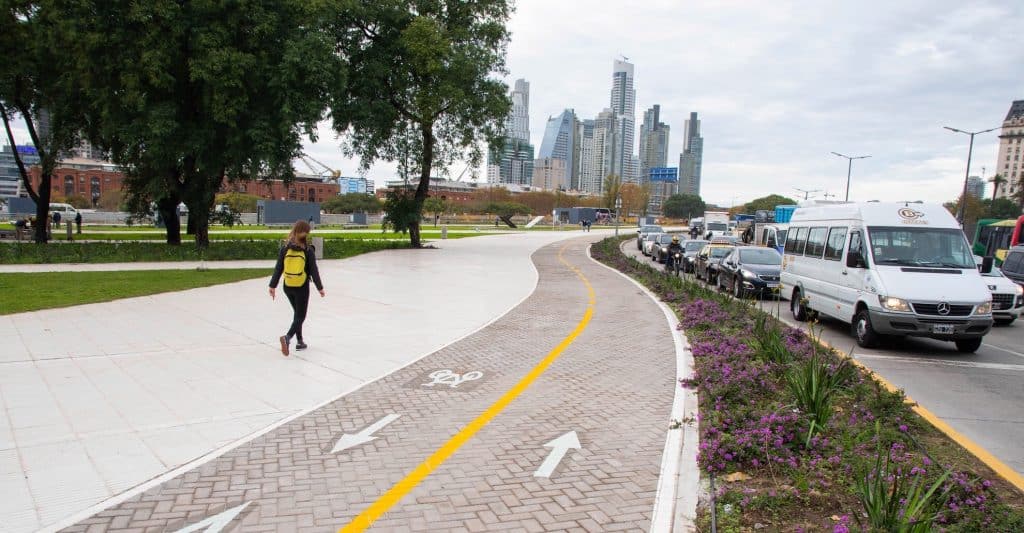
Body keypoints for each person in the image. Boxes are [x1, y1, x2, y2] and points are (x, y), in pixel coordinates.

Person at [268, 220, 325, 356]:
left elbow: (278, 268)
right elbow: (314, 271)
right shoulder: (307, 250)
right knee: (300, 315)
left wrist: (272, 285)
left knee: (297, 314)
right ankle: (288, 338)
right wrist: (320, 288)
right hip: (301, 286)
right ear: (306, 233)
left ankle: (300, 341)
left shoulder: (285, 248)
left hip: (288, 286)